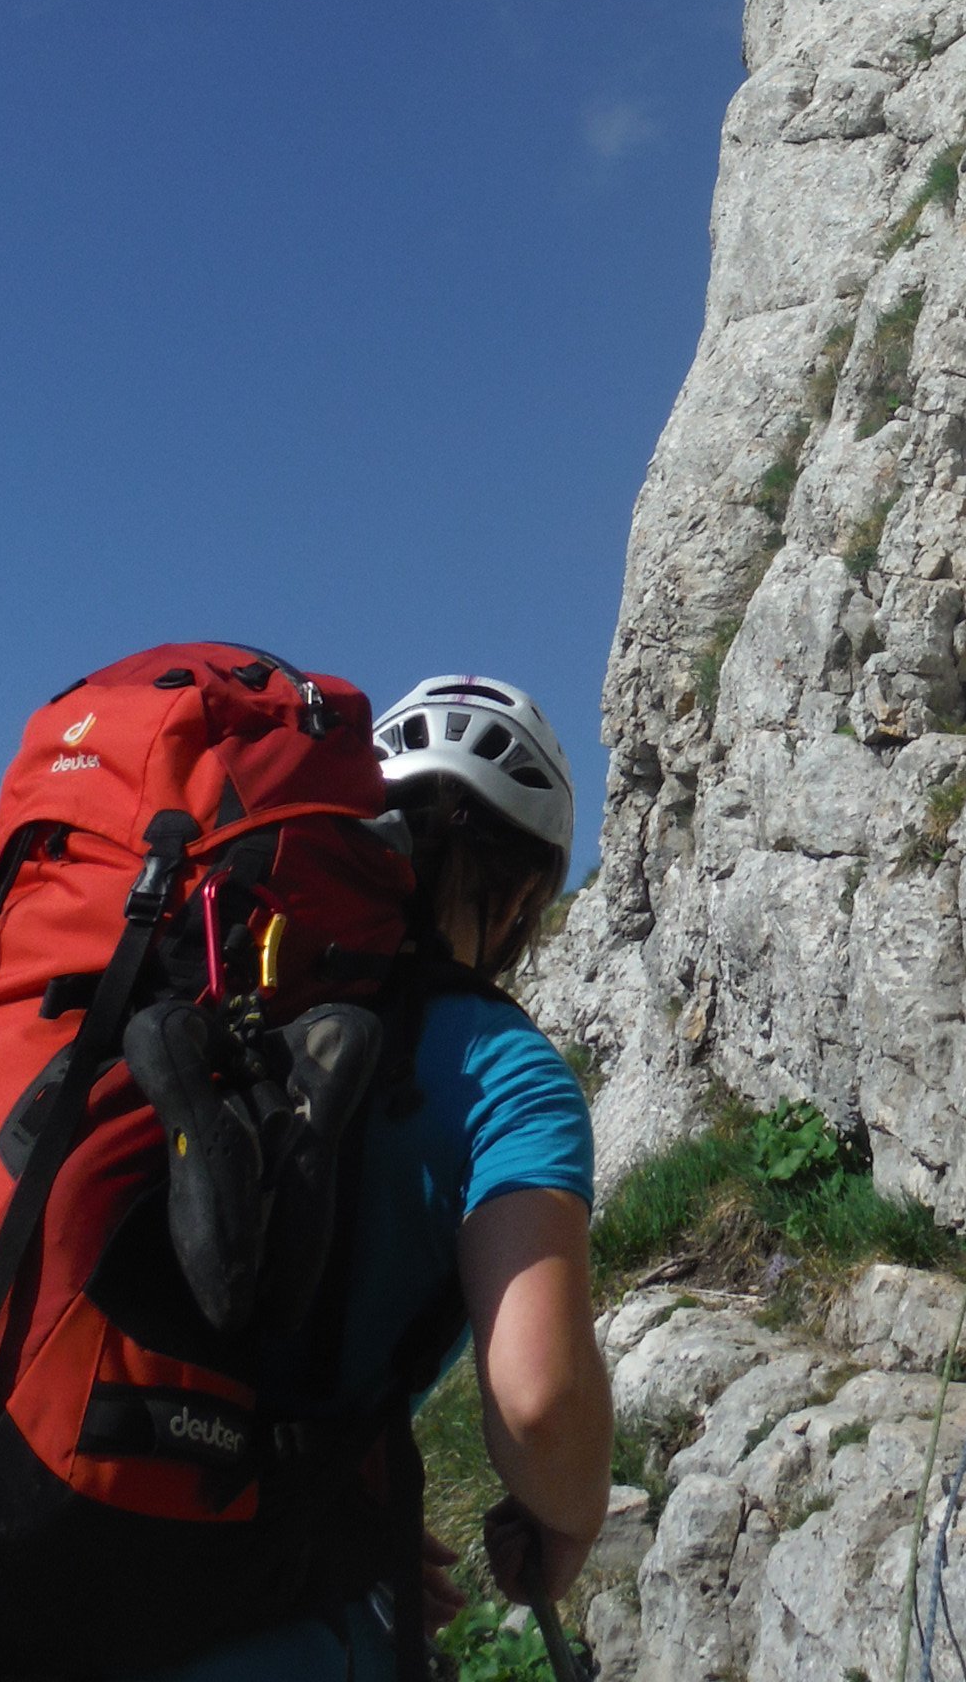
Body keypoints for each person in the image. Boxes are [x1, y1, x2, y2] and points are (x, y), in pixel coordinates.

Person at [136, 674, 612, 1682]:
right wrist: (564, 1522)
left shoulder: (225, 1012)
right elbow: (538, 1404)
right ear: (522, 897)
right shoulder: (501, 1070)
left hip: (35, 1570)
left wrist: (354, 1511)